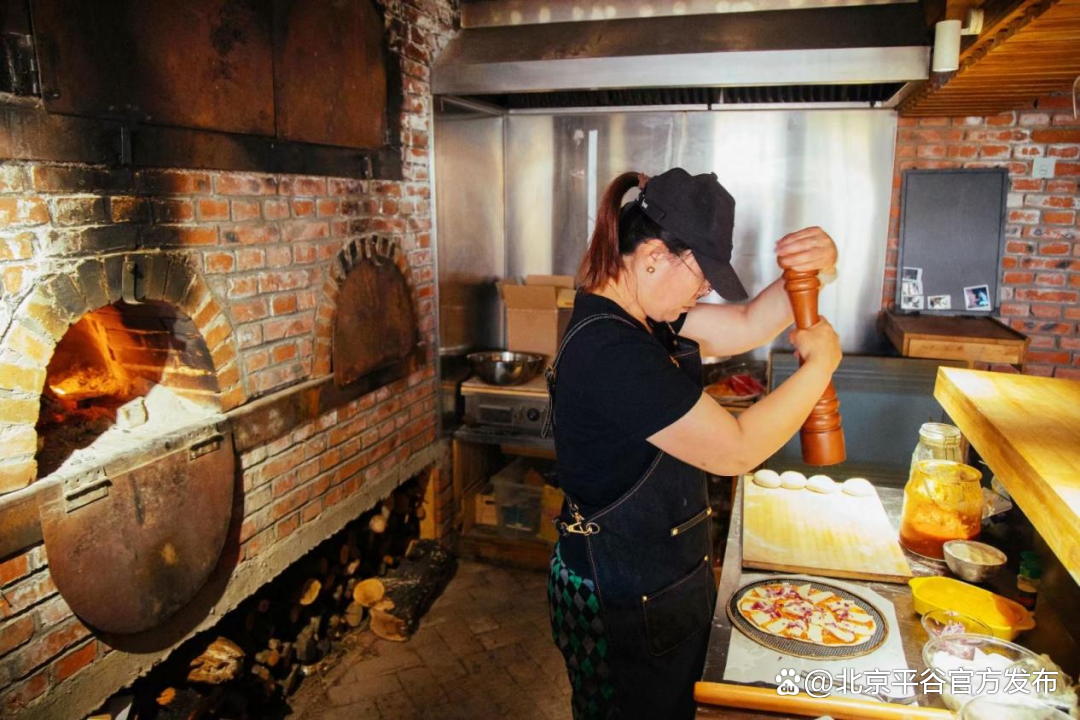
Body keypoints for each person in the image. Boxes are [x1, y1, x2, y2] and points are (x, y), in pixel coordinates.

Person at [543, 168, 843, 719]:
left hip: (657, 581)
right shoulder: (610, 349)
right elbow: (735, 450)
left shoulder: (642, 315)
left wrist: (816, 267)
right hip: (618, 596)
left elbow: (748, 323)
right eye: (702, 277)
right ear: (654, 256)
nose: (703, 292)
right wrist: (820, 365)